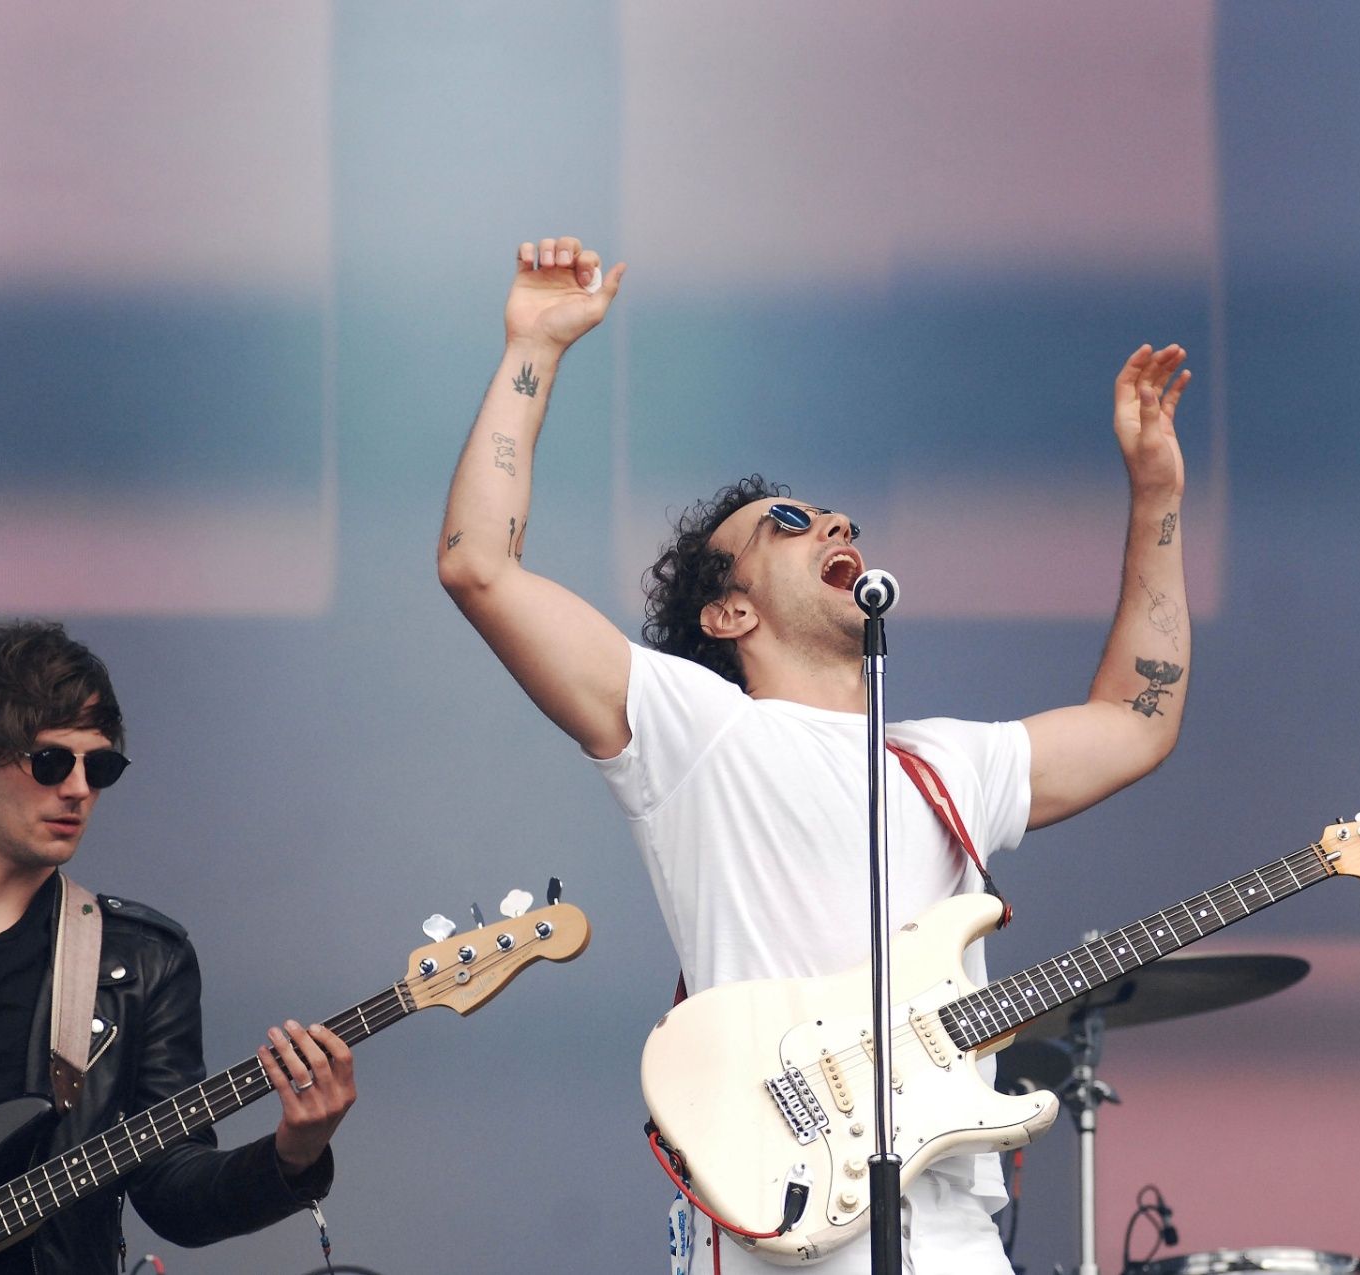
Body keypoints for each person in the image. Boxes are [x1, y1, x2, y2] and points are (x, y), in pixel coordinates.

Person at [437, 236, 1192, 1272]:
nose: (835, 519)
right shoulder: (695, 731)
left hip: (952, 1231)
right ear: (730, 607)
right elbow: (479, 566)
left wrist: (1156, 499)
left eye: (836, 516)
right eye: (787, 523)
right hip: (783, 1212)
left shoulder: (948, 765)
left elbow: (1135, 722)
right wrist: (537, 348)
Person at [0, 621, 357, 1275]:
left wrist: (291, 1152)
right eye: (49, 761)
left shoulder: (140, 961)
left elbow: (174, 1192)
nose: (77, 788)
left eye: (98, 766)